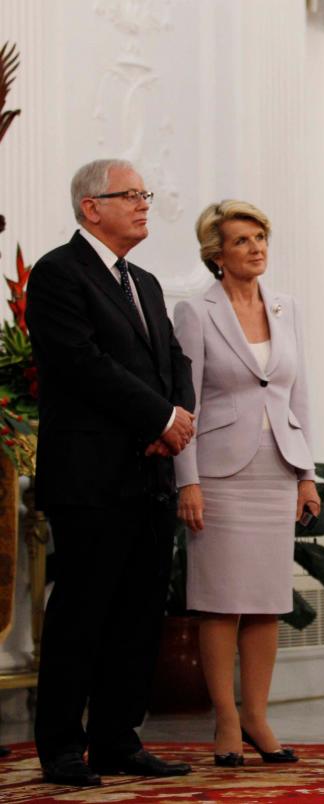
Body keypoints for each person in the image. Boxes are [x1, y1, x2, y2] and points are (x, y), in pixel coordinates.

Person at [26, 159, 196, 786]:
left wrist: (177, 416)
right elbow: (79, 363)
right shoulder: (57, 274)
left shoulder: (145, 282)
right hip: (90, 475)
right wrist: (158, 418)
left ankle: (119, 740)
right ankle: (62, 749)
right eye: (131, 195)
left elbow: (173, 360)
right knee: (82, 613)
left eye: (145, 194)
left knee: (137, 614)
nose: (144, 204)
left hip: (149, 476)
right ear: (91, 207)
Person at [173, 200, 319, 766]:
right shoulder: (196, 313)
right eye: (242, 240)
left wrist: (307, 474)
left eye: (260, 237)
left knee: (265, 601)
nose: (256, 247)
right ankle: (226, 720)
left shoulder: (287, 308)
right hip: (218, 472)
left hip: (277, 470)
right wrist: (188, 482)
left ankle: (257, 716)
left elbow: (297, 395)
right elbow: (185, 401)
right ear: (217, 254)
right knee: (220, 602)